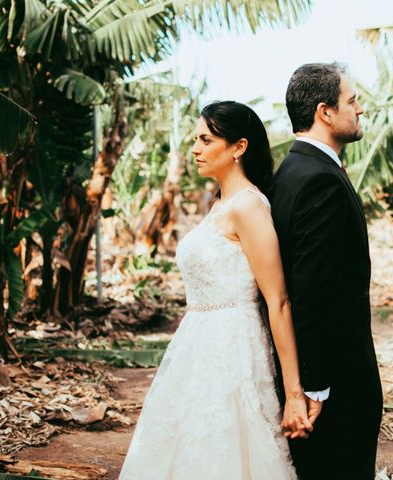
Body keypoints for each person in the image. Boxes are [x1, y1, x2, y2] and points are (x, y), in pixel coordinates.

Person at [119, 101, 310, 479]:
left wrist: (294, 394)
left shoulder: (249, 206)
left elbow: (279, 301)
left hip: (233, 350)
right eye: (195, 140)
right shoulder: (219, 204)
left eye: (206, 140)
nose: (195, 149)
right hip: (197, 350)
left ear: (239, 147)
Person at [270, 62, 384, 480]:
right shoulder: (320, 180)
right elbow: (313, 290)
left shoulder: (291, 172)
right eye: (351, 101)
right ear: (325, 112)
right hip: (335, 385)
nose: (360, 109)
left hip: (319, 376)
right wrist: (314, 387)